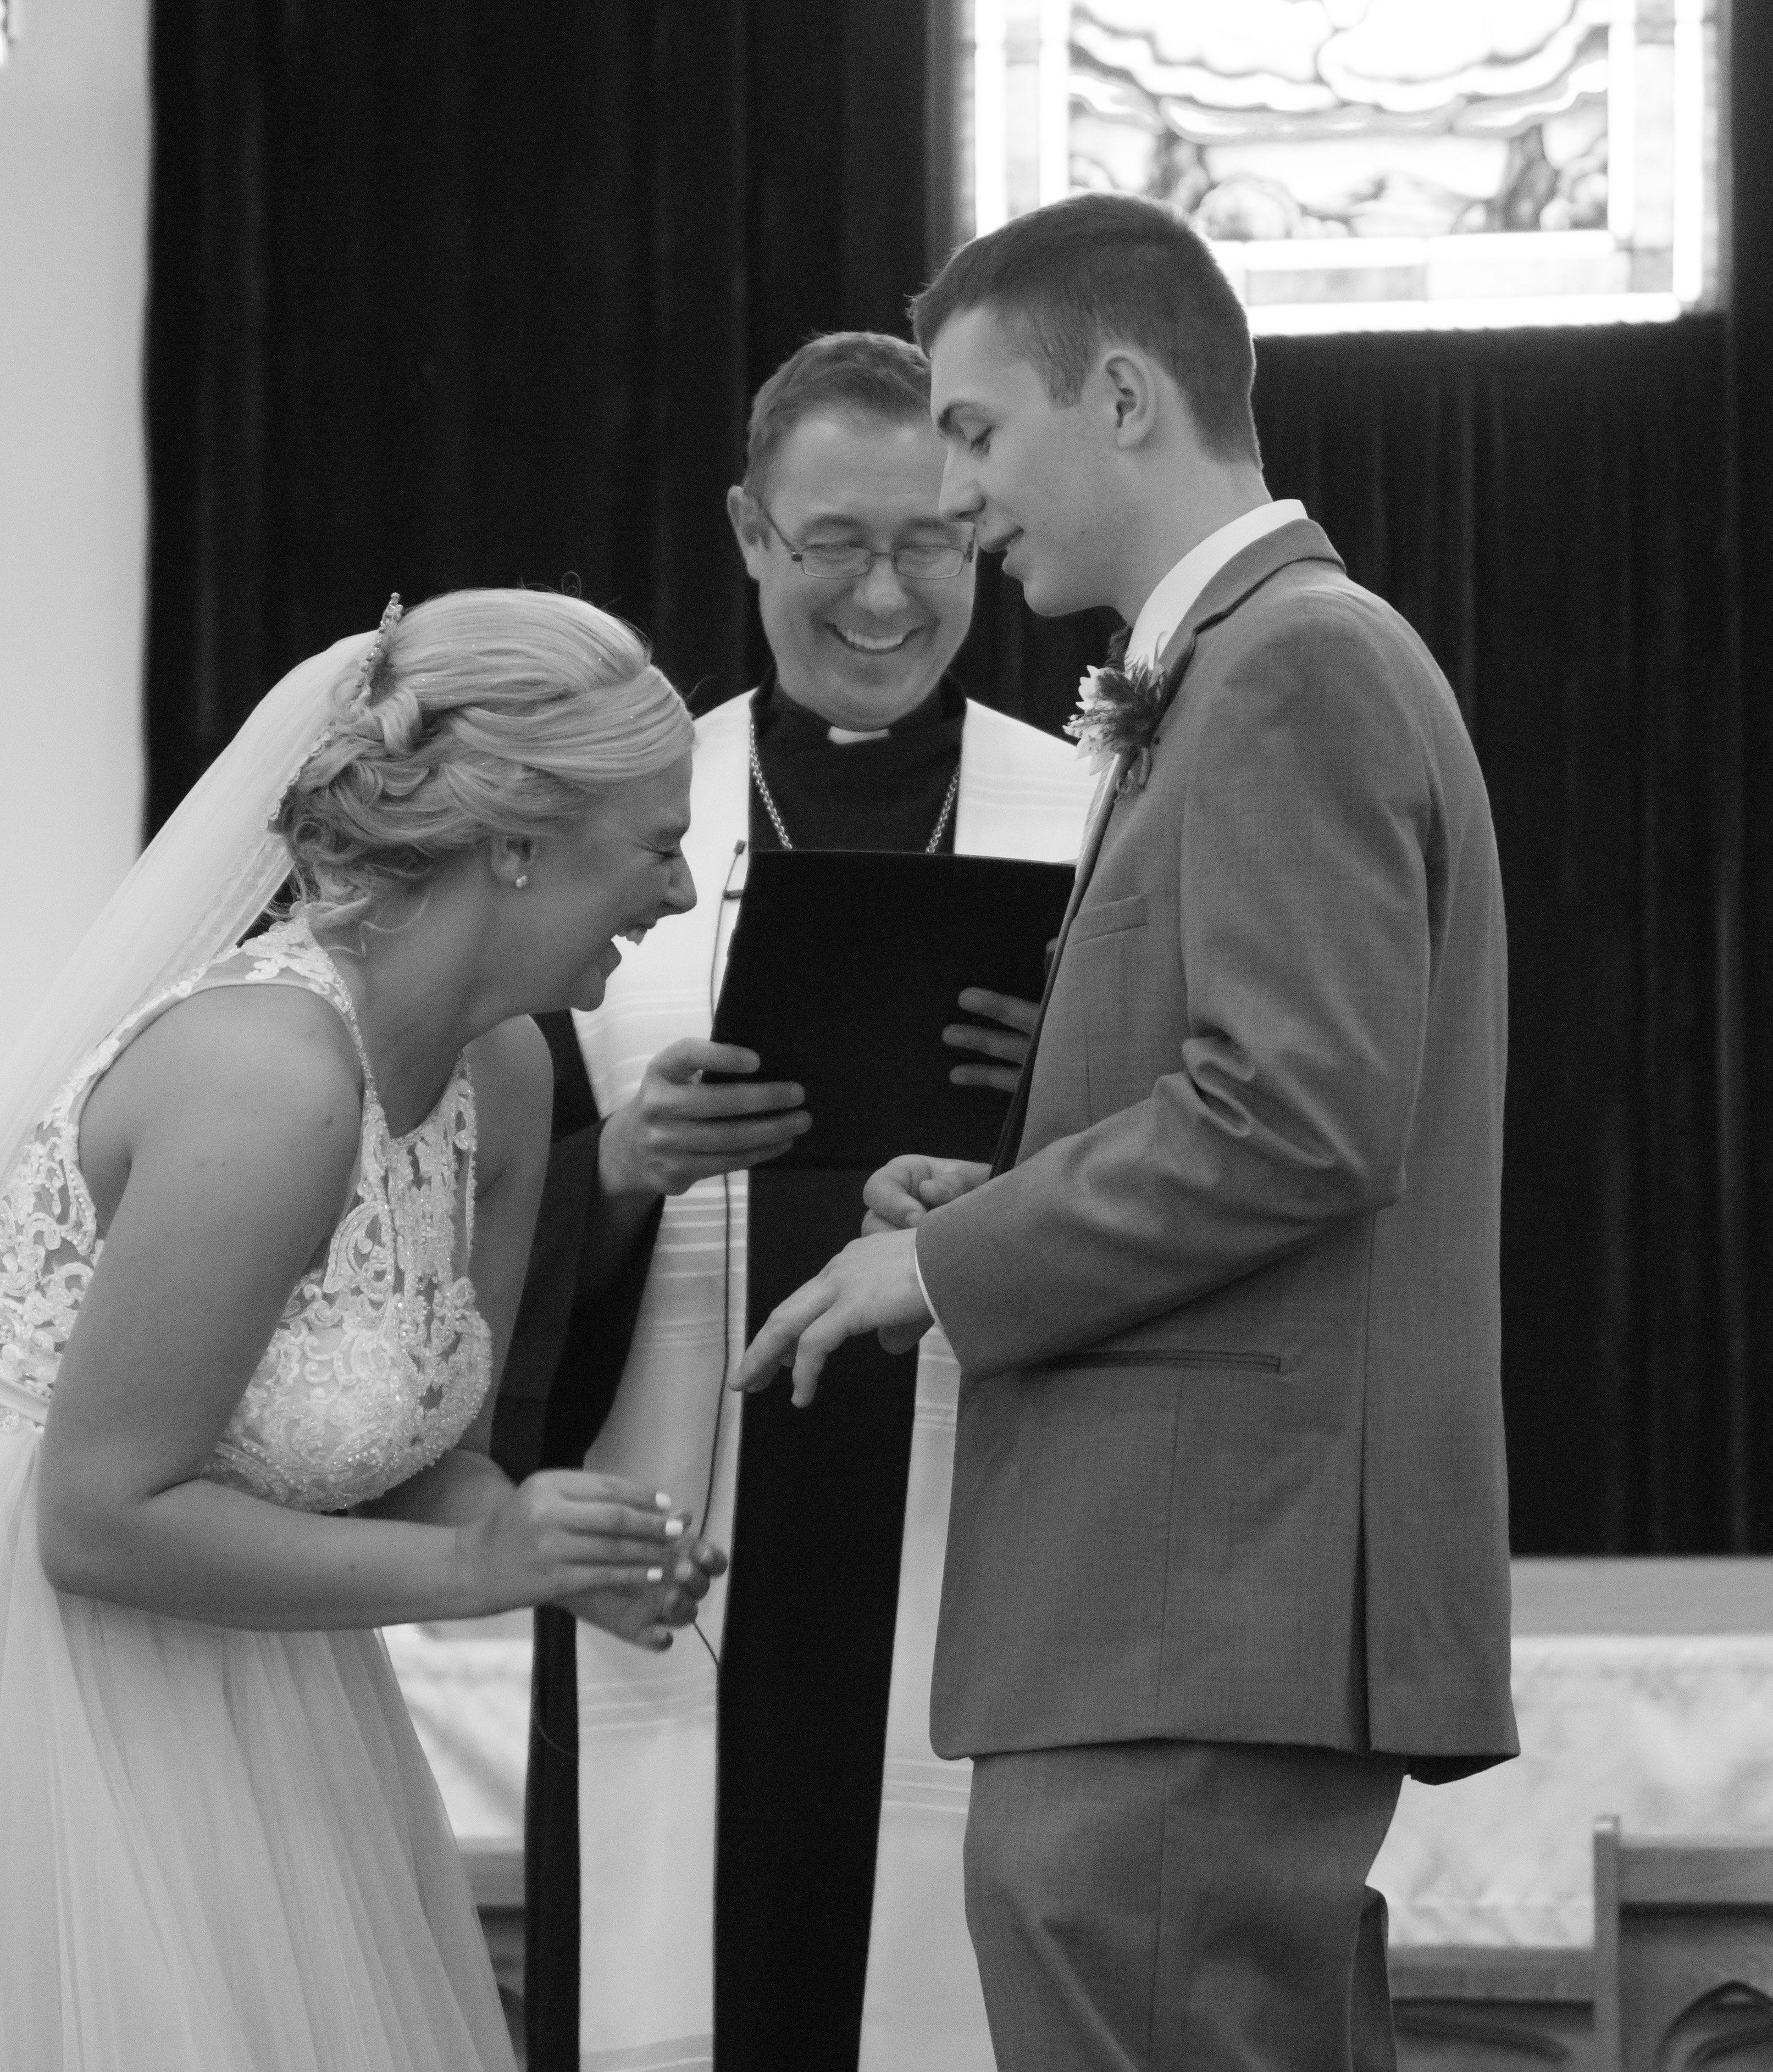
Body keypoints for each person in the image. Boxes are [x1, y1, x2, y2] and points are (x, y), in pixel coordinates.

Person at [0, 590, 727, 2071]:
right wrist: (474, 1566)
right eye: (655, 844)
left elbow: (427, 1463)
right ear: (515, 844)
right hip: (24, 1628)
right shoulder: (264, 1079)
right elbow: (97, 1519)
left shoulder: (501, 1071)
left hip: (233, 1612)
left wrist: (554, 1548)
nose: (680, 889)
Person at [736, 193, 1520, 2071]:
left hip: (1196, 1588)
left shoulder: (1294, 665)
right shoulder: (1252, 663)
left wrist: (942, 1263)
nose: (959, 493)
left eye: (977, 432)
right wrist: (1010, 1187)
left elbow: (1298, 1117)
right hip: (1180, 1595)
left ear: (1119, 397)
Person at [497, 332, 1094, 2072]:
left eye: (931, 541)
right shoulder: (617, 817)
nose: (884, 594)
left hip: (976, 1529)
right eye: (835, 542)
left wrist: (1067, 1086)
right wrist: (623, 1166)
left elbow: (1201, 1168)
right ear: (750, 533)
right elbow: (475, 1219)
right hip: (679, 1524)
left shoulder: (1098, 810)